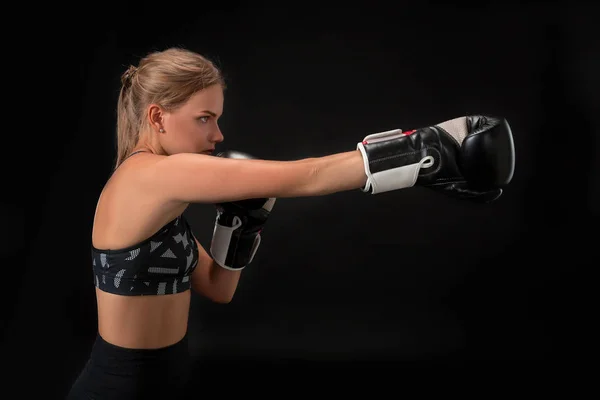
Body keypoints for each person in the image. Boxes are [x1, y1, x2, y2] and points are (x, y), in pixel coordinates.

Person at [66, 47, 515, 399]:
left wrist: (241, 224)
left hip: (167, 377)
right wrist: (419, 152)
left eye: (217, 118)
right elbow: (308, 175)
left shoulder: (162, 195)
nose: (217, 135)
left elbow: (218, 289)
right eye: (204, 119)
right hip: (120, 386)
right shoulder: (151, 174)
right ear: (157, 117)